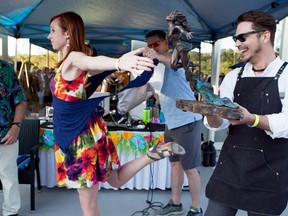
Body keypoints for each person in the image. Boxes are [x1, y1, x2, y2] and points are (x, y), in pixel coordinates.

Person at [47, 11, 186, 216]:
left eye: (52, 31)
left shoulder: (75, 58)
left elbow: (92, 62)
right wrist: (120, 63)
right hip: (86, 131)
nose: (49, 36)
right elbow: (95, 66)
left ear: (67, 34)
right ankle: (156, 153)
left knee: (89, 207)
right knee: (116, 179)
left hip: (80, 138)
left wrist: (119, 63)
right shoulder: (71, 62)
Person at [203, 10, 288, 216]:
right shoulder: (233, 76)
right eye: (235, 38)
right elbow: (221, 123)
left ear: (265, 36)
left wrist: (252, 119)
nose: (237, 43)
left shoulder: (286, 75)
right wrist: (212, 114)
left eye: (243, 37)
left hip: (269, 171)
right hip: (230, 167)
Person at [144, 30, 203, 216]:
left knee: (190, 168)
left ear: (165, 42)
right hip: (171, 123)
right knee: (175, 165)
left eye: (155, 44)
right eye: (149, 45)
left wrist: (157, 55)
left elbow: (174, 62)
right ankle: (175, 204)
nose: (152, 48)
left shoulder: (175, 59)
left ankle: (196, 208)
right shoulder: (158, 65)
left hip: (186, 121)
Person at [0, 60, 27, 216]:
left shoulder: (4, 69)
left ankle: (11, 213)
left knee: (8, 177)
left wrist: (16, 126)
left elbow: (21, 101)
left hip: (5, 135)